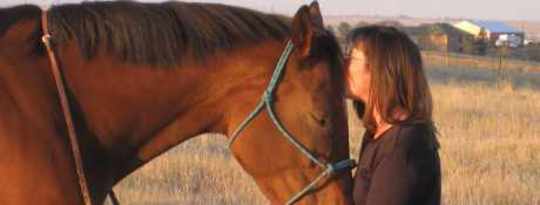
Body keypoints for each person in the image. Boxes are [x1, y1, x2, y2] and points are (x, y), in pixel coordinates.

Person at [345, 25, 441, 205]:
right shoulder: (379, 134)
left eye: (351, 57)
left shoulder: (401, 147)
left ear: (380, 70)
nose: (342, 63)